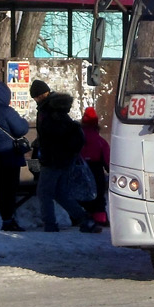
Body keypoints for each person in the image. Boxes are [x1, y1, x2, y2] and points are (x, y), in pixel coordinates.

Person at [33, 86, 100, 233]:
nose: (36, 99)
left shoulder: (49, 112)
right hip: (64, 159)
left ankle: (50, 225)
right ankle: (85, 219)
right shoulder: (60, 113)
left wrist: (42, 143)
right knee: (60, 193)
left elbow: (51, 136)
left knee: (44, 192)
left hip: (52, 159)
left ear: (43, 94)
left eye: (36, 96)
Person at [0, 80, 29, 231]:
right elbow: (21, 129)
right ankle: (8, 220)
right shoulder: (6, 111)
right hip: (8, 158)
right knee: (8, 191)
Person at [79, 106, 111, 227]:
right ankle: (100, 218)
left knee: (82, 194)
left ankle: (81, 216)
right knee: (98, 196)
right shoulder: (100, 141)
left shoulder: (78, 137)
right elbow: (107, 160)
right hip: (96, 169)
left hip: (80, 169)